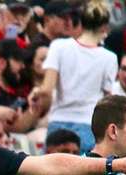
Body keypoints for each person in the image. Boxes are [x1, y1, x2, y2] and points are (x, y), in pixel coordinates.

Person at [36, 0, 118, 154]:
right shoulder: (109, 57)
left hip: (58, 124)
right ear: (105, 27)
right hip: (88, 126)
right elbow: (107, 100)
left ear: (81, 22)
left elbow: (47, 89)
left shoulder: (58, 46)